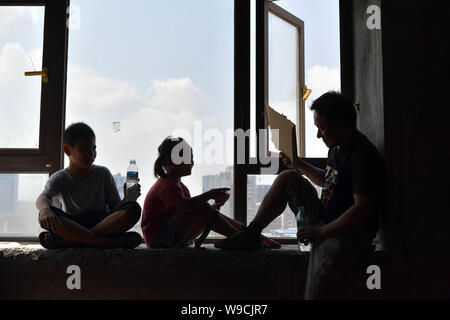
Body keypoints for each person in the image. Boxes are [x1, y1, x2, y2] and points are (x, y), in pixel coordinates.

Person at [215, 91, 385, 299]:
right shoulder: (337, 147)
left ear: (342, 124)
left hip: (349, 233)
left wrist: (321, 233)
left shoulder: (362, 157)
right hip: (325, 218)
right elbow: (328, 180)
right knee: (289, 177)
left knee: (323, 267)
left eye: (322, 128)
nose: (318, 135)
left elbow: (362, 209)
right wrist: (298, 164)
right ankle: (252, 234)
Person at [141, 136, 281, 249]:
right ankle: (245, 240)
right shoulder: (165, 185)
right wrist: (209, 195)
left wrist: (213, 207)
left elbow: (193, 213)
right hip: (159, 238)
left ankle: (253, 236)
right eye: (188, 158)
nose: (192, 162)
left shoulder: (178, 185)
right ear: (170, 160)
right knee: (202, 207)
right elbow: (185, 208)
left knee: (209, 211)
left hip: (171, 236)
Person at [36, 122, 143, 249]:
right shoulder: (60, 177)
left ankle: (73, 240)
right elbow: (43, 198)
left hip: (102, 222)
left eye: (93, 149)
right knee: (47, 214)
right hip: (73, 223)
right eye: (83, 150)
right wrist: (45, 210)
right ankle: (106, 242)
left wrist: (127, 198)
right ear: (67, 150)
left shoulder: (103, 173)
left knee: (133, 208)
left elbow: (116, 209)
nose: (91, 154)